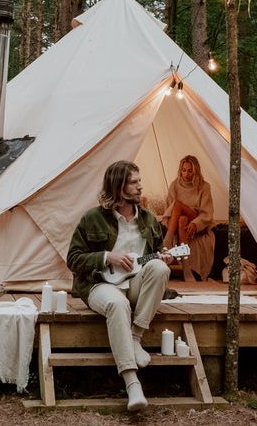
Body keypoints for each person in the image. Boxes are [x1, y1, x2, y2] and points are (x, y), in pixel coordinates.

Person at [66, 160, 175, 412]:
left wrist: (165, 256)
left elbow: (157, 254)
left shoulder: (148, 219)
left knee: (160, 268)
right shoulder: (92, 218)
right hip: (99, 284)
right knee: (117, 303)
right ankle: (132, 382)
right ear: (118, 186)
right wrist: (107, 257)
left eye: (140, 181)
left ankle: (136, 336)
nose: (140, 186)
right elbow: (73, 259)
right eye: (134, 182)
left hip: (134, 284)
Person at [162, 155, 215, 281]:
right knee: (181, 220)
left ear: (196, 171)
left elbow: (206, 213)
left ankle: (167, 241)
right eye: (184, 170)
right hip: (182, 221)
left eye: (190, 170)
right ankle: (186, 268)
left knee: (177, 204)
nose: (186, 174)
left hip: (197, 221)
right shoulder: (175, 185)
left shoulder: (204, 187)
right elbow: (168, 211)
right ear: (180, 170)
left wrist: (196, 223)